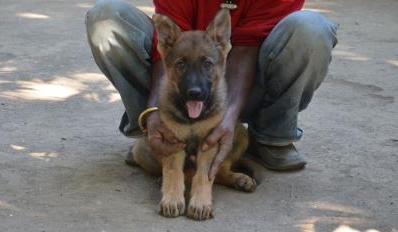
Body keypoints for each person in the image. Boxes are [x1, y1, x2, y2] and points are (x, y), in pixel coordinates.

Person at [85, 0, 338, 175]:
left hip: (251, 87)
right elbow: (168, 52)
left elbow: (248, 47)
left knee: (310, 30)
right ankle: (157, 133)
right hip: (179, 90)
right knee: (105, 17)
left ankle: (271, 138)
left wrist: (227, 115)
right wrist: (154, 110)